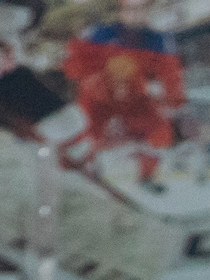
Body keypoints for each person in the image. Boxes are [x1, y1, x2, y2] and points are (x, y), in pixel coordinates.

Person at [63, 0, 185, 190]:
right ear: (121, 10)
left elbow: (171, 75)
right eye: (129, 9)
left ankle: (147, 175)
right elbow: (74, 65)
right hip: (99, 99)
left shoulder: (158, 40)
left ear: (147, 10)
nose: (134, 14)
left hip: (133, 99)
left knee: (159, 130)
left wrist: (174, 102)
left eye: (140, 8)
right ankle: (82, 168)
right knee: (87, 129)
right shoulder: (100, 34)